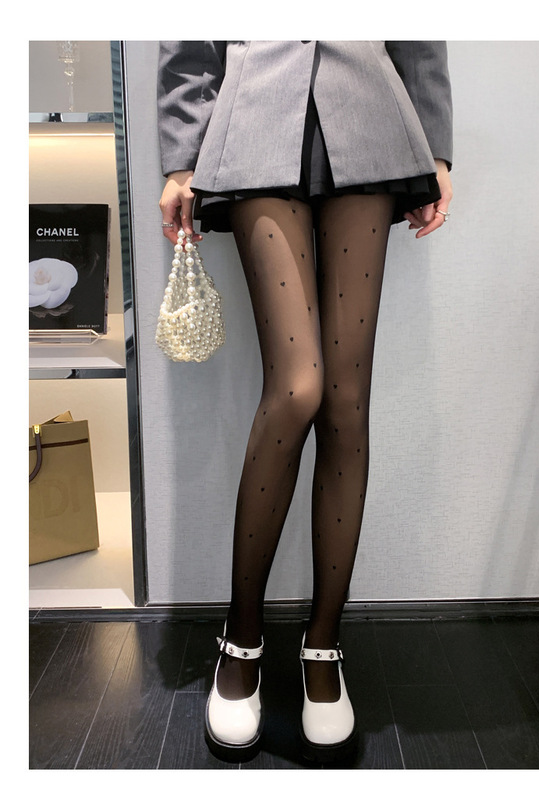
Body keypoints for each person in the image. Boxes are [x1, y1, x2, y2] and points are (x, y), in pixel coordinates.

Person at [157, 40, 453, 763]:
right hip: (254, 116)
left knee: (348, 402)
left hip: (370, 118)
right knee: (299, 388)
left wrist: (434, 145)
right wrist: (182, 154)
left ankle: (323, 647)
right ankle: (242, 640)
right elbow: (186, 36)